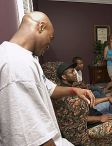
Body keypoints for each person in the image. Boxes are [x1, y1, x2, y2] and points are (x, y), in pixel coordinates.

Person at [0, 11, 95, 146]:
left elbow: (48, 88)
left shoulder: (26, 57)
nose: (49, 44)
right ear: (41, 27)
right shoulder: (17, 65)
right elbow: (31, 134)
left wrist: (74, 90)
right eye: (51, 38)